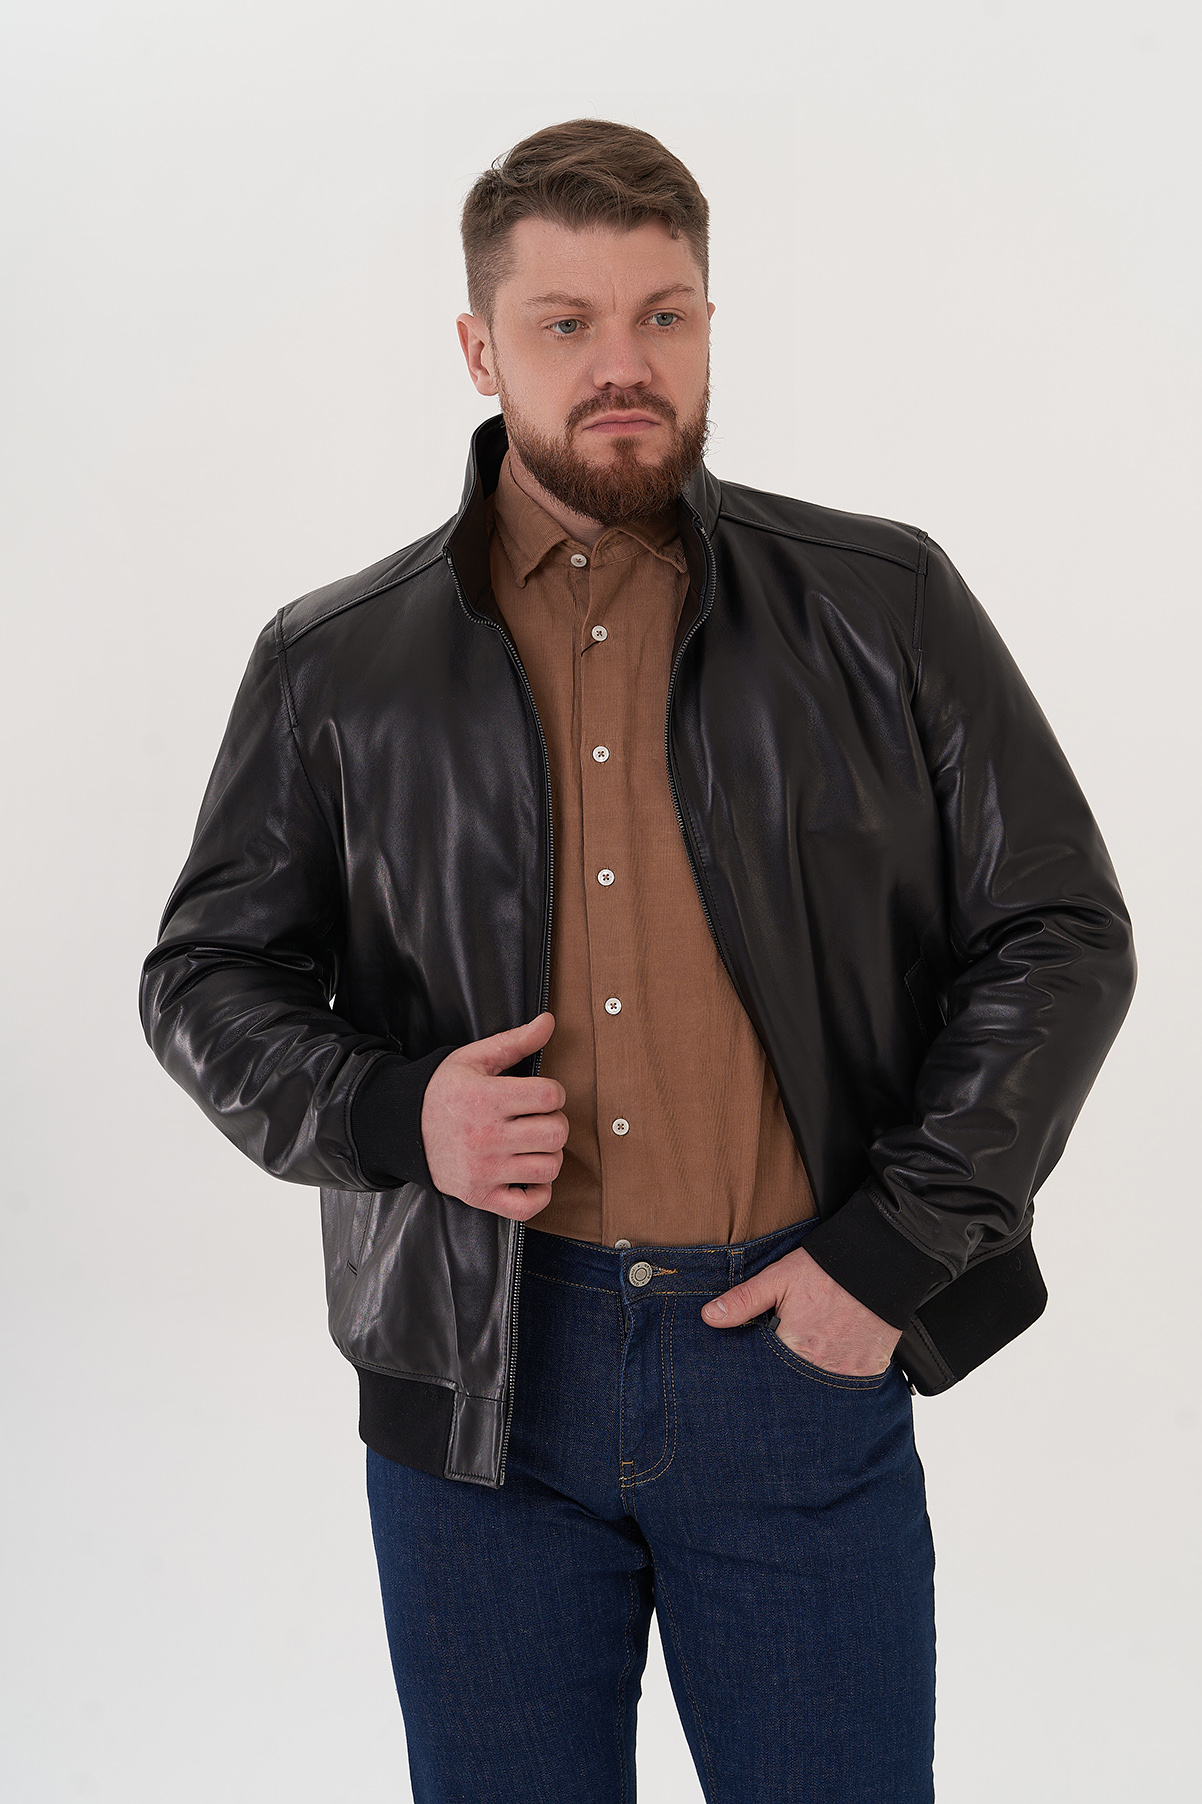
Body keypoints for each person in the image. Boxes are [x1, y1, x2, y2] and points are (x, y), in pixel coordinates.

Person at [139, 118, 1136, 1803]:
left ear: (707, 325)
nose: (625, 363)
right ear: (480, 349)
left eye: (663, 316)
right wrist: (396, 1114)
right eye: (567, 323)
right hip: (478, 1390)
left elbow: (1056, 934)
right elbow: (205, 979)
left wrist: (893, 1250)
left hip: (790, 1348)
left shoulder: (881, 603)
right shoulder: (334, 664)